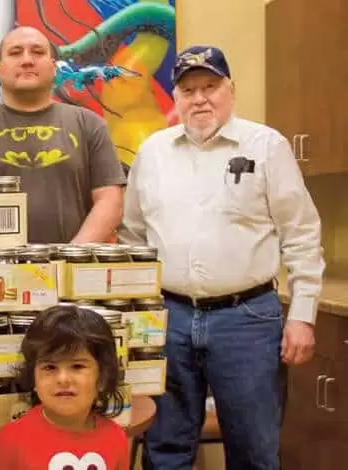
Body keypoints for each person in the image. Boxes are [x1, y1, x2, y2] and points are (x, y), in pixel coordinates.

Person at [119, 45, 324, 470]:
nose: (199, 99)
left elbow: (301, 234)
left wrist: (303, 315)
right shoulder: (152, 153)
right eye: (188, 90)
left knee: (253, 449)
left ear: (231, 89)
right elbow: (132, 236)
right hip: (167, 319)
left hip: (247, 320)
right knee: (166, 448)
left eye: (210, 87)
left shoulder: (266, 146)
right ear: (175, 97)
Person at [0, 26, 126, 244]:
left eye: (37, 52)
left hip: (72, 262)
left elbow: (110, 200)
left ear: (54, 67)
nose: (27, 60)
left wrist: (71, 255)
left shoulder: (89, 124)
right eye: (15, 53)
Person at [0, 304, 127, 469]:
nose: (63, 379)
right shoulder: (11, 442)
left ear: (103, 377)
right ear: (33, 378)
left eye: (77, 366)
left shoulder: (115, 438)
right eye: (50, 367)